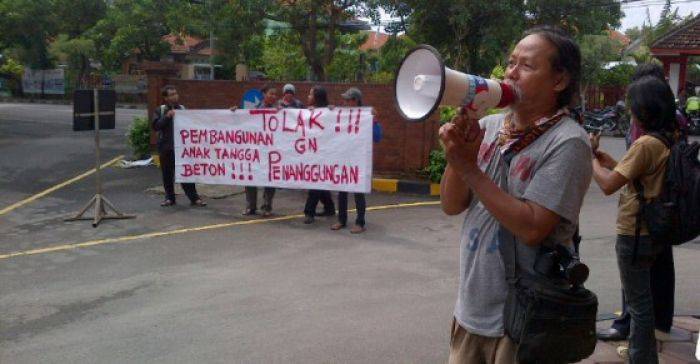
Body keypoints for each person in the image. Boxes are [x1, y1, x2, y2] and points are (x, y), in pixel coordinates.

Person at [440, 26, 591, 363]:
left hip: (526, 318)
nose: (511, 72)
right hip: (472, 310)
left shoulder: (568, 142)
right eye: (511, 63)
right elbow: (452, 205)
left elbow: (533, 227)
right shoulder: (489, 128)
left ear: (559, 81)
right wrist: (456, 158)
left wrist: (469, 168)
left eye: (527, 65)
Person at [590, 75, 679, 363]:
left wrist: (589, 158)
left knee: (639, 305)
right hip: (654, 231)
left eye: (633, 106)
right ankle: (645, 353)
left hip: (634, 232)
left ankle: (641, 358)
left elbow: (607, 185)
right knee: (645, 302)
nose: (630, 112)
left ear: (643, 110)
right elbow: (641, 178)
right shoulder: (668, 138)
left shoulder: (645, 144)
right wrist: (612, 163)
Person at [330, 87, 380, 234]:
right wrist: (329, 112)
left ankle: (360, 222)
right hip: (344, 158)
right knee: (342, 191)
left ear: (355, 100)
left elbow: (377, 137)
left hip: (358, 160)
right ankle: (342, 220)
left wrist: (374, 122)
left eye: (347, 100)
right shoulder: (342, 114)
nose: (344, 102)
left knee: (358, 191)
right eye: (344, 100)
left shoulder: (366, 115)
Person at [152, 85, 206, 207]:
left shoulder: (182, 109)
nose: (175, 96)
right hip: (166, 148)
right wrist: (167, 117)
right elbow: (155, 126)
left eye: (175, 93)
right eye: (171, 94)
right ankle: (169, 198)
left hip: (182, 149)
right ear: (165, 98)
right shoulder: (160, 110)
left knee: (186, 173)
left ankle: (194, 198)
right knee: (167, 174)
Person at [232, 84, 279, 217]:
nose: (273, 96)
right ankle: (250, 206)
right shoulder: (253, 108)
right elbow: (241, 120)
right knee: (250, 177)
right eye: (271, 93)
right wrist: (235, 112)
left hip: (272, 151)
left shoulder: (280, 109)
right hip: (254, 150)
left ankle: (267, 206)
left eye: (275, 94)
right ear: (264, 94)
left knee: (270, 179)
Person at [303, 86, 336, 224]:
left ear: (316, 97)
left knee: (315, 182)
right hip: (312, 152)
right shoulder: (307, 111)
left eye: (310, 94)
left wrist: (331, 111)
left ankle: (309, 212)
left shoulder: (328, 112)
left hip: (323, 153)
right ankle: (329, 208)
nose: (308, 97)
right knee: (319, 182)